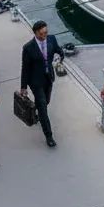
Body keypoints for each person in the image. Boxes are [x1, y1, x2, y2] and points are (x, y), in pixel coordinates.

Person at [19, 20, 65, 149]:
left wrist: (60, 57)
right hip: (35, 81)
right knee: (43, 108)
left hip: (49, 77)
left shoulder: (51, 39)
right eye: (42, 34)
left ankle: (38, 110)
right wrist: (23, 86)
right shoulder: (28, 48)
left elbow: (58, 50)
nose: (45, 35)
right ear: (35, 33)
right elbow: (25, 68)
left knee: (47, 101)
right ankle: (49, 136)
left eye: (46, 32)